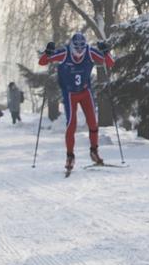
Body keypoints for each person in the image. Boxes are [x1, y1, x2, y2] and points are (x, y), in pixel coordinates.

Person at [38, 32, 115, 172]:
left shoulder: (90, 53)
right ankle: (70, 156)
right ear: (71, 46)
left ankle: (94, 151)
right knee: (71, 124)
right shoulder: (64, 53)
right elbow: (43, 62)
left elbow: (110, 63)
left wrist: (106, 51)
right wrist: (48, 52)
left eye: (82, 48)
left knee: (92, 122)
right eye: (76, 48)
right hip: (69, 93)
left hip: (85, 92)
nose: (79, 52)